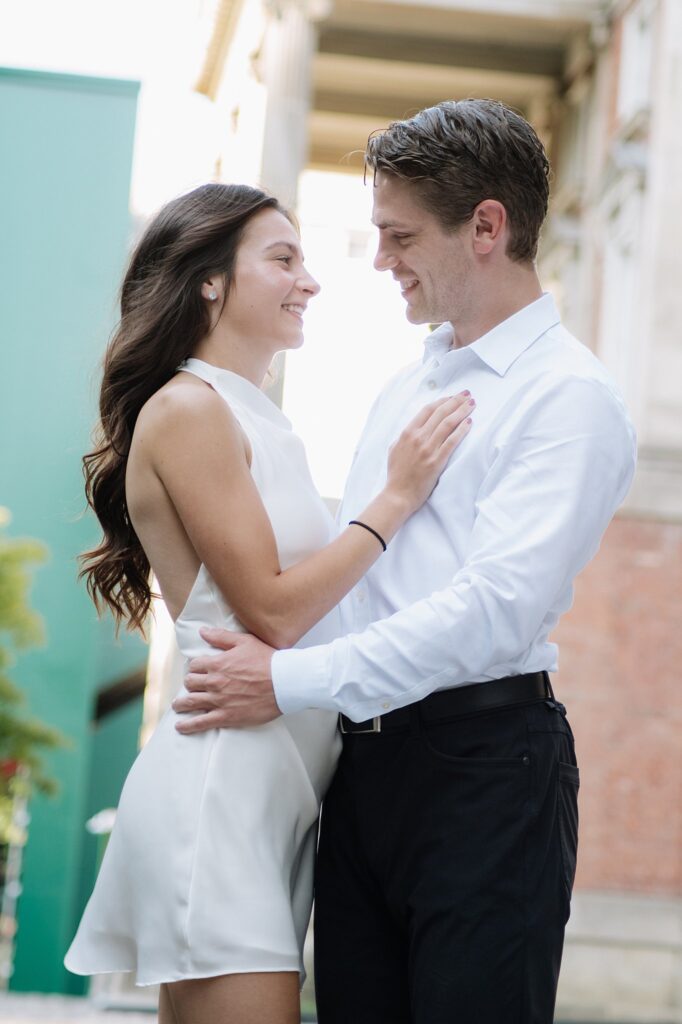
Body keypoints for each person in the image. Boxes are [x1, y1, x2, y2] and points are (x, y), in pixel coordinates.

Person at [172, 100, 637, 1023]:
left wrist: (292, 679)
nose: (379, 259)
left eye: (399, 235)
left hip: (485, 773)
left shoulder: (570, 399)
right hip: (363, 773)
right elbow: (367, 584)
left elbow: (493, 610)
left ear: (487, 229)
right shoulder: (407, 385)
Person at [63, 182, 475, 1024]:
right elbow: (276, 613)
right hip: (221, 790)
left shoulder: (260, 420)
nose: (310, 281)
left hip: (275, 799)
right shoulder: (187, 409)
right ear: (209, 280)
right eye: (283, 258)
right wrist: (396, 496)